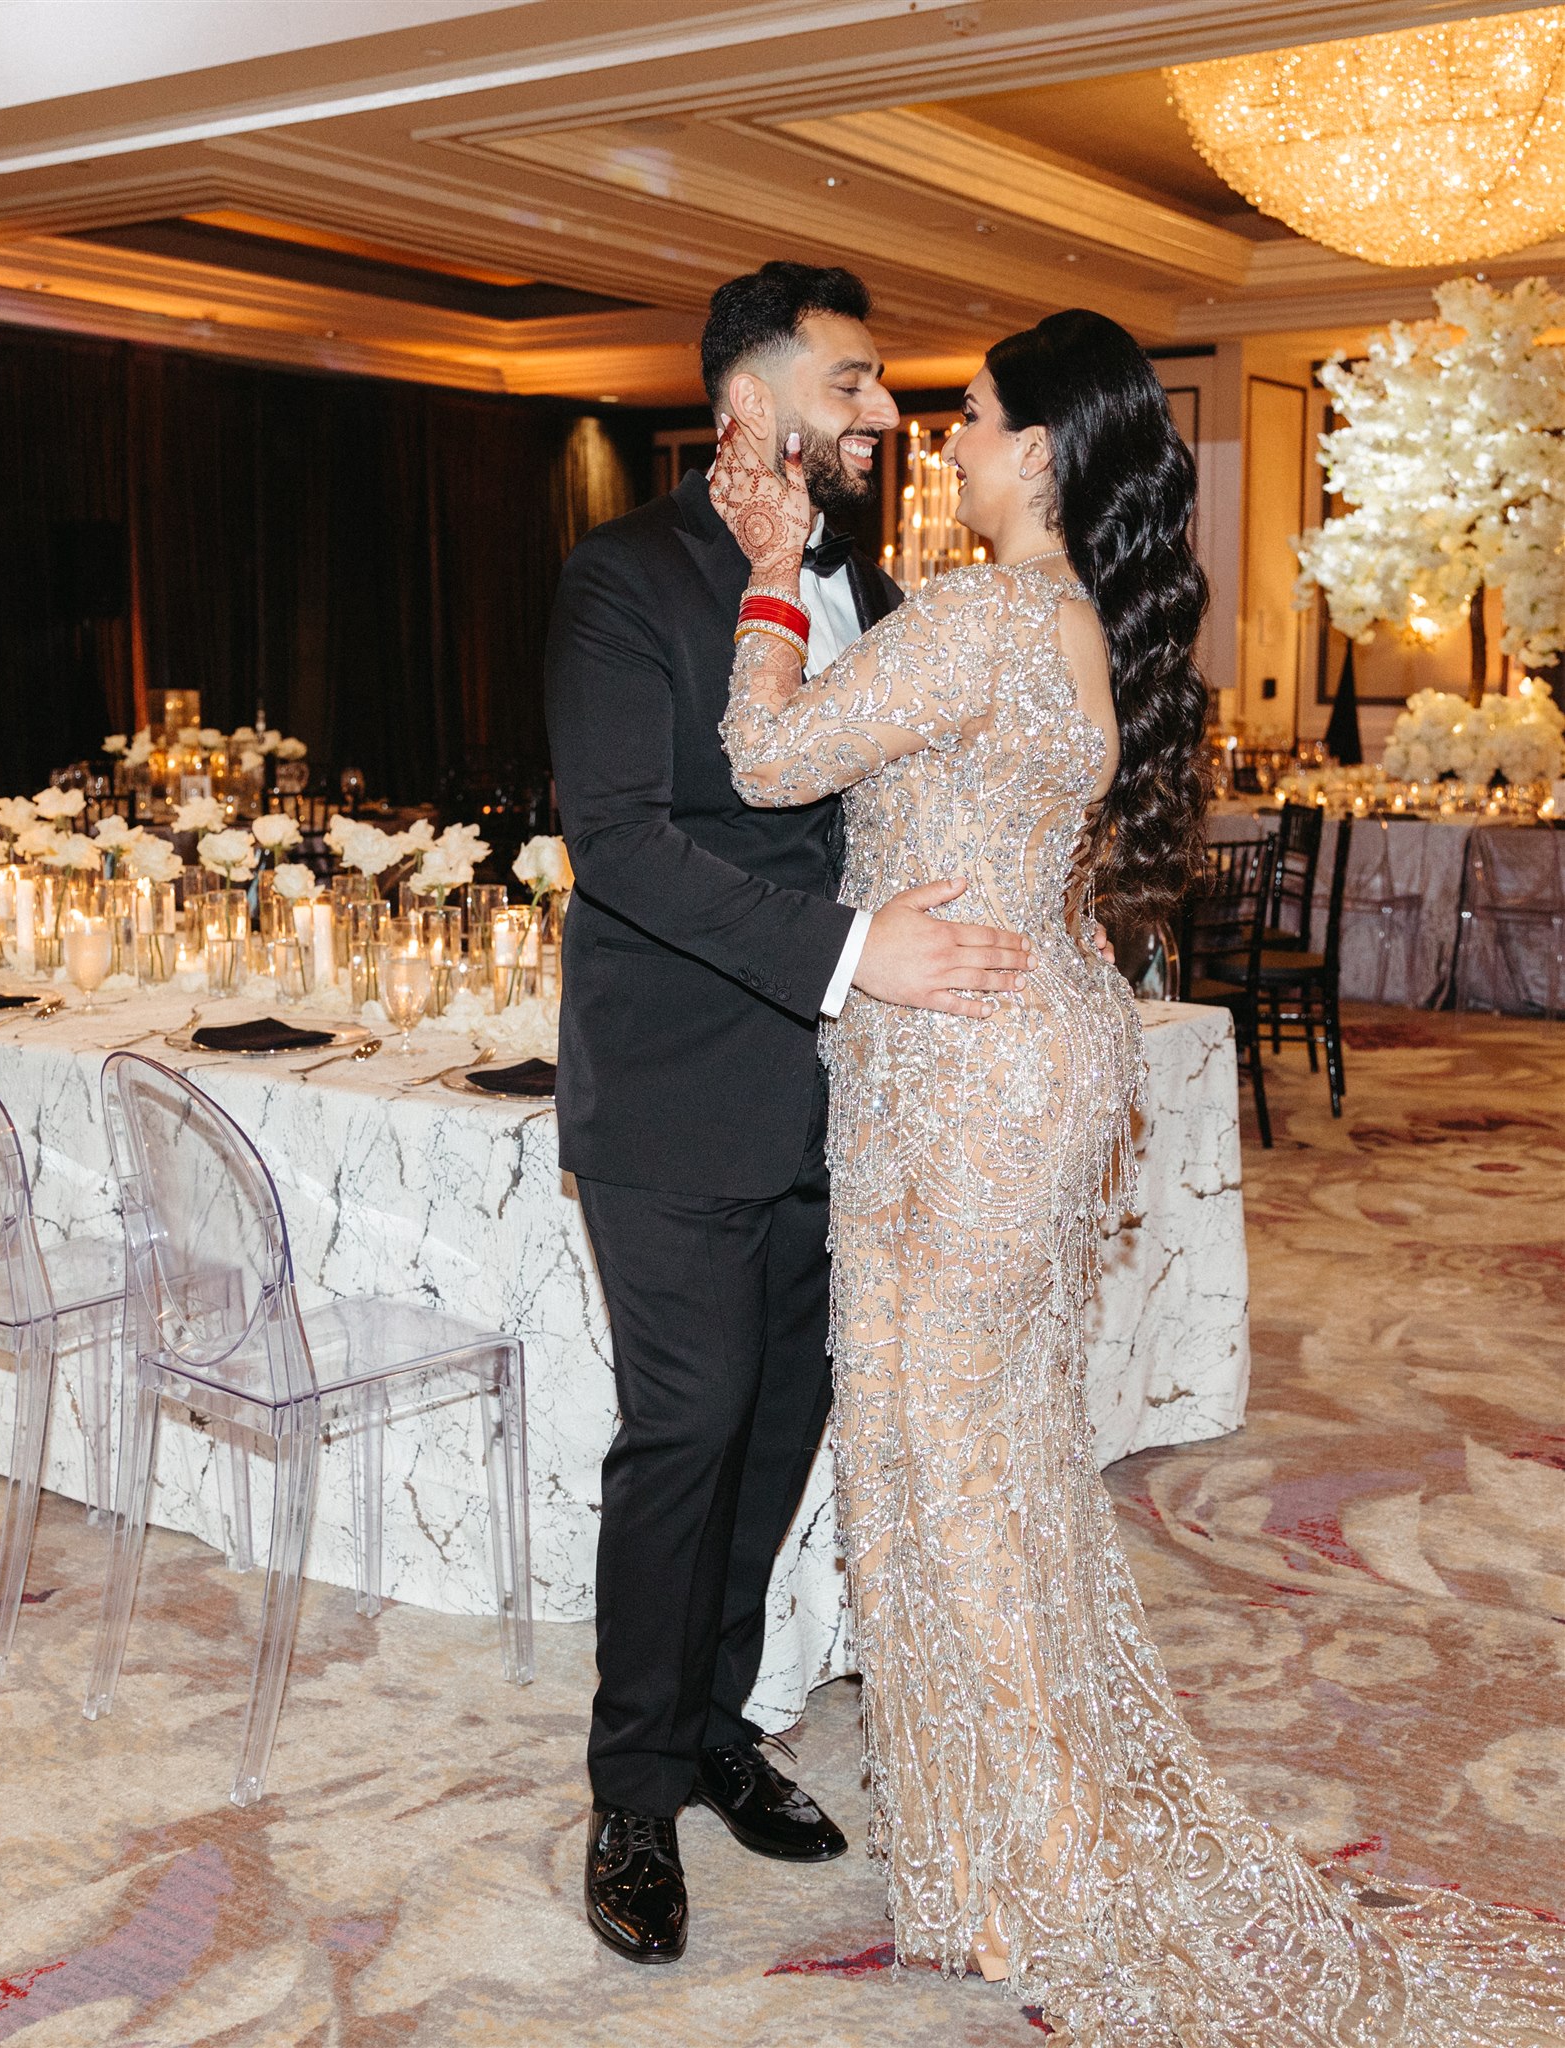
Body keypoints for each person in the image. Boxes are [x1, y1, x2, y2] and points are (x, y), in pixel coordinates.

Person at [711, 310, 1565, 2043]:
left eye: (971, 416)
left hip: (960, 1075)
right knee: (999, 1448)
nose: (947, 440)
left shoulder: (982, 617)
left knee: (944, 1463)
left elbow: (766, 757)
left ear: (1038, 452)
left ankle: (1037, 1861)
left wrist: (771, 578)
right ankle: (1015, 1839)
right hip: (1037, 1049)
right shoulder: (1083, 627)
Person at [545, 262, 1037, 1966]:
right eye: (854, 381)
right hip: (674, 1095)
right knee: (686, 1430)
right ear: (749, 404)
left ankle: (713, 1727)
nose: (886, 412)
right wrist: (850, 955)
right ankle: (629, 1786)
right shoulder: (622, 577)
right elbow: (624, 845)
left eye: (888, 385)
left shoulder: (877, 593)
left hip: (844, 1107)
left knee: (776, 1431)